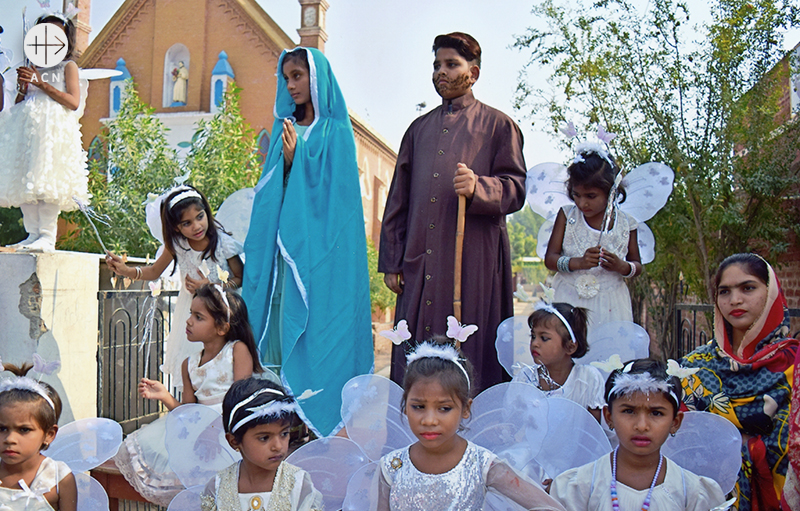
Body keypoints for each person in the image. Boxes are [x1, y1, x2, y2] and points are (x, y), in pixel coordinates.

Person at [379, 32, 526, 392]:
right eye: (436, 65)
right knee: (414, 350)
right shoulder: (418, 130)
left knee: (471, 351)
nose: (441, 72)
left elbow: (517, 188)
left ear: (473, 73)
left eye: (451, 65)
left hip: (473, 263)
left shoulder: (498, 126)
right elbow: (397, 201)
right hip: (420, 262)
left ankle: (472, 439)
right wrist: (392, 261)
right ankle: (414, 435)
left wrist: (480, 187)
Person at [242, 47, 372, 437]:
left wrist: (302, 160)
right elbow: (269, 197)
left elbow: (341, 201)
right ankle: (286, 424)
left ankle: (323, 424)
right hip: (288, 258)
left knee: (323, 334)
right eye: (286, 78)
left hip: (326, 258)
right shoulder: (286, 127)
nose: (291, 85)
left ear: (317, 79)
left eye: (298, 75)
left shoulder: (336, 131)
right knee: (285, 330)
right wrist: (287, 163)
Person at [113, 285, 262, 507]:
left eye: (198, 317)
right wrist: (165, 396)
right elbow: (188, 413)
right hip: (199, 431)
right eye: (190, 313)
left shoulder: (237, 350)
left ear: (221, 327)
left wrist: (215, 432)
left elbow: (241, 400)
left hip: (229, 428)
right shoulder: (189, 364)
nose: (189, 321)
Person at [376, 342, 565, 511]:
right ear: (405, 406)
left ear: (466, 408)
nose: (429, 420)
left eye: (444, 408)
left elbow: (547, 506)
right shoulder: (392, 466)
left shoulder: (482, 464)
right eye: (418, 407)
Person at [680, 253, 798, 511]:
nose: (735, 300)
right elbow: (679, 439)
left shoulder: (795, 366)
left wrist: (738, 443)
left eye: (748, 288)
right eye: (724, 292)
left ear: (771, 293)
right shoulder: (693, 367)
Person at [106, 185, 244, 387]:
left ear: (206, 211)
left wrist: (212, 285)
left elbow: (241, 277)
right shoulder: (178, 246)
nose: (196, 226)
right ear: (176, 227)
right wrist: (125, 270)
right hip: (193, 311)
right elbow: (154, 271)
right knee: (195, 368)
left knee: (223, 369)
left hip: (224, 310)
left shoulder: (224, 244)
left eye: (200, 217)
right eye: (187, 223)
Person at [550, 359, 726, 510]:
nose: (642, 426)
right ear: (609, 416)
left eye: (656, 413)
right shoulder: (578, 488)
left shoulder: (693, 493)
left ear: (675, 422)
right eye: (628, 411)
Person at [0, 12, 88, 252]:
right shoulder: (32, 66)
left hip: (52, 129)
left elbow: (72, 101)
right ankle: (32, 233)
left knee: (47, 180)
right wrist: (23, 87)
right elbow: (21, 101)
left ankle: (47, 235)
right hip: (28, 127)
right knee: (26, 180)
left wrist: (41, 84)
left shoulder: (68, 66)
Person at [544, 148, 641, 331]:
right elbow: (550, 259)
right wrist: (577, 262)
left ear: (611, 192)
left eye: (591, 196)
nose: (582, 203)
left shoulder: (627, 224)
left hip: (611, 305)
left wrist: (622, 267)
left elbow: (637, 265)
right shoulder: (567, 216)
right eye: (576, 195)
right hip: (569, 300)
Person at [200, 378, 322, 511]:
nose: (278, 446)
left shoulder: (299, 485)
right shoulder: (217, 487)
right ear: (234, 441)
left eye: (284, 434)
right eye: (264, 438)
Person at [513, 301, 605, 422]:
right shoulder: (524, 378)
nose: (535, 343)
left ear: (570, 347)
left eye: (544, 338)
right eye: (533, 336)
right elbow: (512, 422)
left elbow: (594, 430)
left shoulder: (587, 379)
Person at [0, 373, 77, 511]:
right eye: (2, 428)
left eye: (24, 430)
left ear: (49, 434)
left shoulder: (59, 478)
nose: (10, 439)